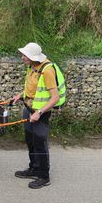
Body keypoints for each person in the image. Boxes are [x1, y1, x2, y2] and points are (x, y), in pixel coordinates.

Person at [11, 42, 65, 189]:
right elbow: (33, 88)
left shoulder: (47, 71)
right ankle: (33, 168)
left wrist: (39, 112)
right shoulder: (32, 67)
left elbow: (55, 98)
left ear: (33, 57)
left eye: (25, 55)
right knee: (31, 141)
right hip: (29, 109)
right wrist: (20, 95)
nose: (22, 57)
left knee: (40, 144)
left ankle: (44, 176)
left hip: (40, 113)